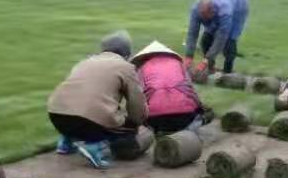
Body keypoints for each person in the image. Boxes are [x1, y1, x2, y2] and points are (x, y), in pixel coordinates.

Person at [47, 32, 147, 168]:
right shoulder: (126, 68)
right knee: (126, 127)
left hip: (56, 114)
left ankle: (66, 142)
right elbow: (137, 104)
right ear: (127, 53)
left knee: (78, 111)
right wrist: (136, 123)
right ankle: (93, 146)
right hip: (88, 122)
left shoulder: (85, 61)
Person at [132, 40, 210, 134]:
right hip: (185, 117)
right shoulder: (178, 64)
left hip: (154, 120)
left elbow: (137, 97)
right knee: (197, 115)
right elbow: (190, 90)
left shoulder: (142, 68)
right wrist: (200, 108)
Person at [183, 0, 249, 73]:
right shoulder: (196, 10)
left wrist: (207, 59)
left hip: (239, 7)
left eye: (208, 18)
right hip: (223, 0)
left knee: (229, 41)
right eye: (203, 18)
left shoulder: (225, 11)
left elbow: (221, 38)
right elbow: (192, 33)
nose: (206, 21)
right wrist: (189, 56)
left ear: (213, 12)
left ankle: (227, 72)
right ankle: (210, 68)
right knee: (206, 40)